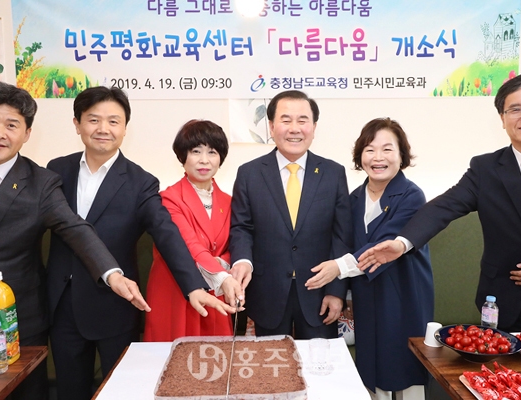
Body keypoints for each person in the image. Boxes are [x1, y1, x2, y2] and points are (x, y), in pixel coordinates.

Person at [0, 81, 148, 400]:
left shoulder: (41, 183)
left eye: (11, 125)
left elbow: (76, 229)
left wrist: (112, 274)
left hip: (13, 321)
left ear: (27, 133)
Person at [46, 88, 236, 400]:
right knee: (69, 391)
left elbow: (167, 234)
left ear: (125, 128)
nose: (103, 128)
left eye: (113, 121)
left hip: (116, 304)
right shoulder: (56, 170)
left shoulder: (141, 182)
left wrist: (194, 286)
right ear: (77, 124)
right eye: (93, 120)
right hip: (62, 304)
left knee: (124, 391)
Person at [359, 72, 521, 334]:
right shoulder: (486, 169)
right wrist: (402, 243)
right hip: (505, 306)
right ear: (502, 119)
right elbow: (445, 206)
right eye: (515, 109)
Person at [305, 118, 433, 400]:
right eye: (370, 149)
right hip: (366, 298)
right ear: (359, 155)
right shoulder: (352, 200)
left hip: (403, 296)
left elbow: (382, 247)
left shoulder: (412, 196)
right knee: (371, 370)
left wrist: (338, 268)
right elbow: (341, 242)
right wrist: (339, 291)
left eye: (387, 149)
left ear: (402, 155)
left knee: (407, 370)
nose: (378, 158)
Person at [229, 90, 353, 339]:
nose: (294, 129)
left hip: (319, 292)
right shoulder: (249, 173)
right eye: (286, 120)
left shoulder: (333, 173)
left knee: (320, 361)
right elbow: (241, 227)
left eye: (302, 120)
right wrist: (242, 260)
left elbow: (341, 236)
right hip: (267, 292)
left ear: (314, 127)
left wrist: (336, 290)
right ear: (271, 126)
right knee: (270, 362)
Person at [144, 119, 243, 341]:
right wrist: (222, 276)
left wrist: (224, 264)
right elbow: (188, 244)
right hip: (176, 290)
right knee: (175, 356)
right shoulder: (168, 199)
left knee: (215, 355)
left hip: (217, 291)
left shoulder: (230, 201)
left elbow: (234, 245)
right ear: (183, 156)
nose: (204, 160)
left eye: (212, 152)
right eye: (196, 151)